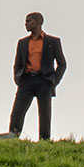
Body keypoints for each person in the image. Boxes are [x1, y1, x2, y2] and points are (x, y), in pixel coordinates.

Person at [9, 11, 66, 140]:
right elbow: (17, 64)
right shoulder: (22, 43)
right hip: (26, 80)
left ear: (38, 22)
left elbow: (62, 64)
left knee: (44, 114)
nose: (25, 24)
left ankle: (44, 140)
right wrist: (18, 78)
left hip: (44, 81)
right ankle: (12, 138)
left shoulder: (53, 41)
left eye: (29, 21)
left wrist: (53, 81)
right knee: (17, 112)